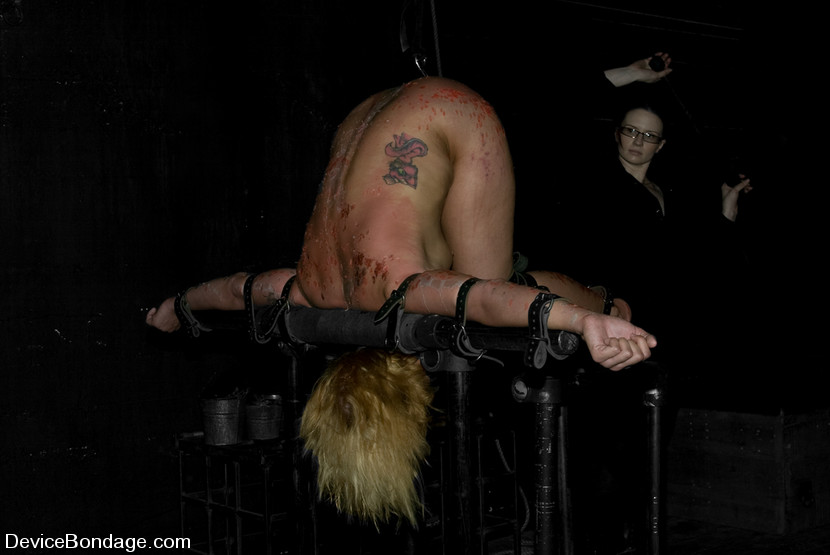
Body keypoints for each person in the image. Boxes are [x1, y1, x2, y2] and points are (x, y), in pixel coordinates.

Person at [146, 76, 658, 528]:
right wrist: (177, 306)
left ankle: (609, 304)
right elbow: (239, 289)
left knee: (490, 283)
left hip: (455, 114)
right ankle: (600, 303)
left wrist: (585, 319)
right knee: (465, 276)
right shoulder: (312, 290)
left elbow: (482, 297)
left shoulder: (398, 292)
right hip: (367, 113)